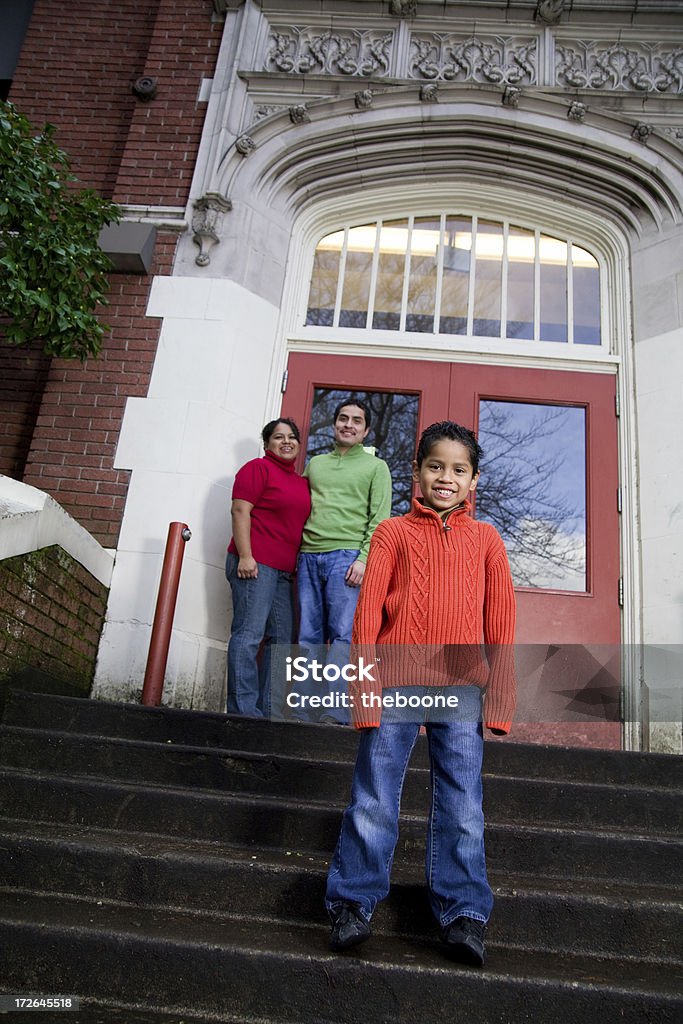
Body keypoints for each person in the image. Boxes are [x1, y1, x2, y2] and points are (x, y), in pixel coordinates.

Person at [325, 420, 516, 966]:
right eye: (435, 466)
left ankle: (464, 914)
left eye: (459, 470)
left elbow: (500, 625)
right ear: (416, 472)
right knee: (374, 798)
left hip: (461, 690)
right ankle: (352, 902)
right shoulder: (390, 534)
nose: (446, 478)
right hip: (394, 683)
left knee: (462, 805)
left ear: (474, 480)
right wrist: (363, 693)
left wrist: (499, 701)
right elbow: (366, 621)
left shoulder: (487, 540)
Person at [295, 398, 392, 724]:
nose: (348, 424)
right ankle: (301, 709)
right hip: (308, 555)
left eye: (356, 421)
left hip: (347, 557)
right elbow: (298, 508)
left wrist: (364, 559)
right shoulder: (316, 464)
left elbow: (379, 518)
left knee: (342, 636)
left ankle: (335, 710)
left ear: (365, 430)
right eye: (343, 418)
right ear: (335, 423)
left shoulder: (376, 467)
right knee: (308, 635)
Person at [226, 418, 311, 718]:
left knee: (282, 640)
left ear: (299, 445)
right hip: (254, 564)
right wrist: (246, 556)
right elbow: (240, 510)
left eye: (292, 437)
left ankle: (269, 710)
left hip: (283, 573)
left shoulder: (301, 482)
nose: (286, 442)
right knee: (249, 635)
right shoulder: (257, 468)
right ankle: (244, 712)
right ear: (267, 444)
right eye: (278, 437)